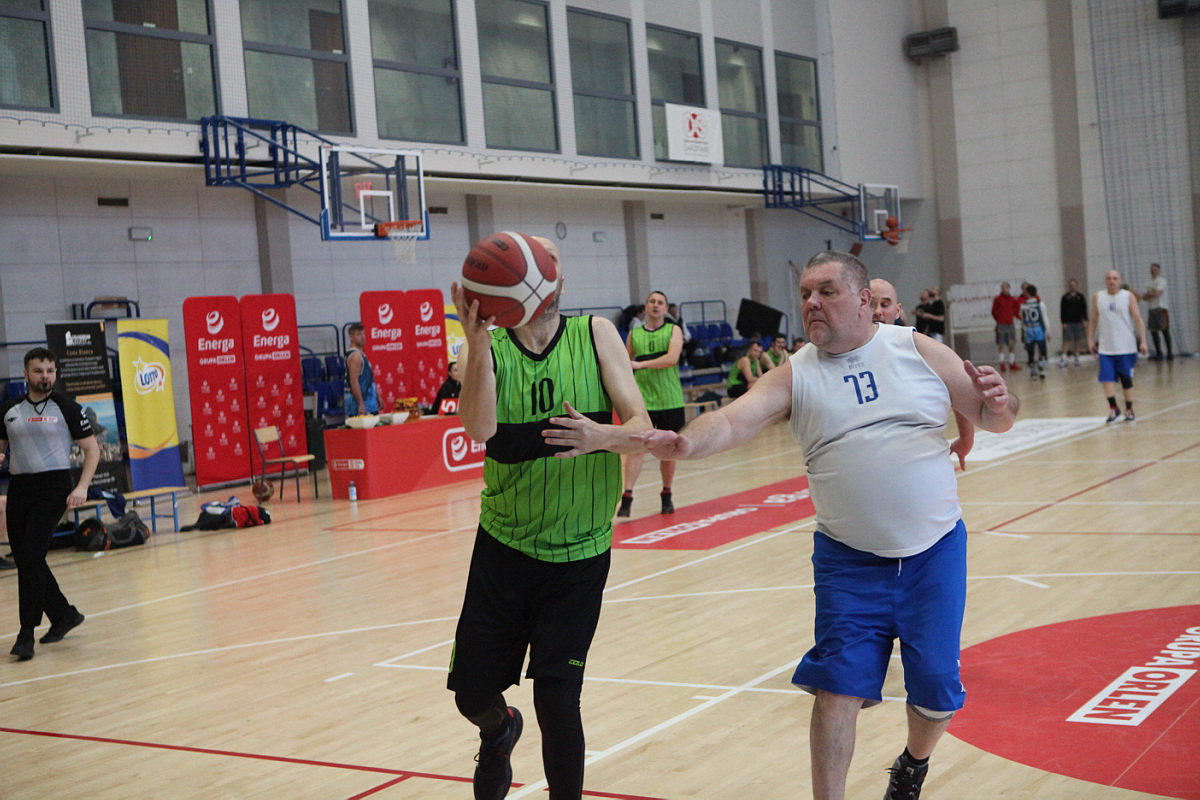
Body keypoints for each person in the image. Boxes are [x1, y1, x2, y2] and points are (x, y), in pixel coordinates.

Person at [637, 251, 1017, 800]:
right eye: (805, 294)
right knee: (836, 688)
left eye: (826, 292)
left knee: (935, 691)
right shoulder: (797, 372)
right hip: (848, 560)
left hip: (933, 554)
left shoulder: (917, 349)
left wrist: (1001, 403)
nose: (811, 303)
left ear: (864, 301)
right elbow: (733, 419)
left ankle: (913, 763)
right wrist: (686, 442)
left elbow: (993, 417)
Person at [447, 234, 651, 800]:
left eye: (551, 260)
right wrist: (477, 343)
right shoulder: (484, 348)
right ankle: (498, 730)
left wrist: (600, 435)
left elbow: (641, 424)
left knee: (558, 698)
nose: (547, 270)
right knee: (471, 695)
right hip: (504, 547)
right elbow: (479, 429)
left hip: (580, 552)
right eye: (537, 260)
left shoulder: (596, 334)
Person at [1, 348, 100, 661]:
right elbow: (1, 447)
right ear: (26, 374)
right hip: (20, 487)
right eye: (38, 371)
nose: (45, 376)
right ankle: (63, 614)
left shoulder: (67, 407)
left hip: (54, 488)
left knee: (32, 554)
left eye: (50, 371)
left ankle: (26, 634)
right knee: (25, 557)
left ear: (55, 373)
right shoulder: (10, 409)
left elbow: (92, 450)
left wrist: (82, 486)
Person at [873, 278, 975, 470]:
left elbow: (959, 389)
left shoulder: (920, 348)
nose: (877, 311)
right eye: (871, 304)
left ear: (897, 311)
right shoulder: (843, 351)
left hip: (918, 463)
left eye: (885, 304)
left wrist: (966, 438)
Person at [618, 291, 685, 518]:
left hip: (670, 399)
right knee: (637, 449)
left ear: (666, 308)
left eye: (660, 303)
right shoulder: (634, 334)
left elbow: (672, 359)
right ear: (646, 307)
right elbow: (625, 363)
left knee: (668, 451)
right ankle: (627, 495)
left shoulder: (673, 330)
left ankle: (667, 493)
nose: (656, 305)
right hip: (643, 401)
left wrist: (642, 364)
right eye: (652, 302)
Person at [1088, 269, 1148, 423]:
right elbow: (1093, 319)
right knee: (1106, 378)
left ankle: (1129, 409)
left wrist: (1143, 341)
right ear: (1105, 280)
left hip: (1126, 347)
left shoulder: (1128, 296)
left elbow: (1138, 318)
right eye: (1109, 278)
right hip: (1106, 348)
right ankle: (1113, 408)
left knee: (1126, 380)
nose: (1112, 281)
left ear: (1120, 280)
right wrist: (1090, 339)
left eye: (1115, 278)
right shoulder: (1098, 297)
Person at [344, 323, 378, 417]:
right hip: (361, 404)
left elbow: (369, 379)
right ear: (351, 337)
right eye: (359, 334)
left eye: (363, 334)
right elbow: (353, 381)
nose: (362, 337)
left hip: (369, 400)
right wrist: (361, 403)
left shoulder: (360, 354)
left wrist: (377, 396)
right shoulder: (355, 356)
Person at [1141, 263, 1173, 361]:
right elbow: (1144, 298)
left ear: (1158, 270)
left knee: (1165, 331)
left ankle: (1169, 353)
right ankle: (1159, 353)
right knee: (1154, 332)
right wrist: (1150, 295)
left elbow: (1158, 293)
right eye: (1152, 269)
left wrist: (1149, 295)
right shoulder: (1148, 283)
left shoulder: (1162, 281)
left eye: (1155, 269)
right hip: (1151, 309)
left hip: (1161, 308)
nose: (1153, 271)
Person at [1019, 284, 1050, 380]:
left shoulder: (1023, 306)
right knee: (1042, 351)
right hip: (1039, 330)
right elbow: (1045, 318)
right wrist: (1048, 331)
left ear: (1027, 293)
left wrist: (1023, 333)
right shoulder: (1040, 304)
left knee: (1030, 351)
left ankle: (1033, 371)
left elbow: (1023, 321)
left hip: (1029, 330)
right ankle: (1042, 368)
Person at [991, 282, 1023, 372]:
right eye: (1002, 288)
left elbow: (1015, 311)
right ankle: (1002, 363)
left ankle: (1012, 363)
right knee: (1001, 344)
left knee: (1011, 344)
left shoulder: (1012, 299)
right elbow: (994, 311)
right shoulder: (997, 299)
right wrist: (999, 320)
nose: (1004, 289)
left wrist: (1021, 318)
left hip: (1010, 324)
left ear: (1009, 288)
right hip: (1001, 324)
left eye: (1005, 288)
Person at [1059, 278, 1088, 367]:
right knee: (1066, 340)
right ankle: (1064, 358)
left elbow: (1084, 309)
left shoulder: (1081, 297)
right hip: (1068, 322)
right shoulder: (1065, 297)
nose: (1073, 287)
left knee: (1077, 339)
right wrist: (1063, 322)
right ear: (1069, 286)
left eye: (1074, 285)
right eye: (1071, 285)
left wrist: (1085, 320)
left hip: (1078, 322)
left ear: (1077, 286)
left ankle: (1077, 357)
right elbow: (1062, 310)